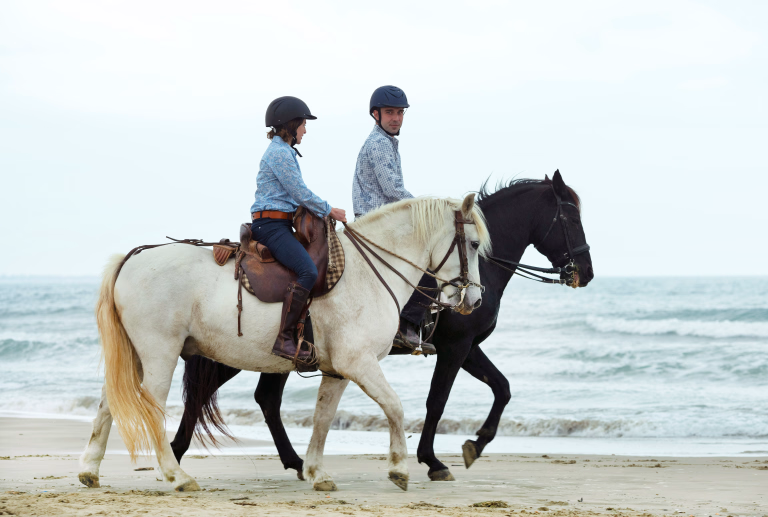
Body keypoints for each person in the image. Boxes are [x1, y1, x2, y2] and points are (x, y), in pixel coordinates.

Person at [251, 96, 346, 369]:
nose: (305, 130)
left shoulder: (283, 151)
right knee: (308, 271)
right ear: (291, 125)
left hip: (279, 223)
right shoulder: (280, 153)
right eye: (303, 124)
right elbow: (300, 193)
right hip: (271, 226)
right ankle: (285, 338)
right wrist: (330, 210)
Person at [351, 86, 437, 354]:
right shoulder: (378, 144)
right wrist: (430, 210)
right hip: (378, 225)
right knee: (431, 271)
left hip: (385, 221)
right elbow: (393, 190)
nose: (396, 118)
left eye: (400, 113)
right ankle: (406, 327)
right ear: (375, 114)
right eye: (390, 113)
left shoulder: (386, 143)